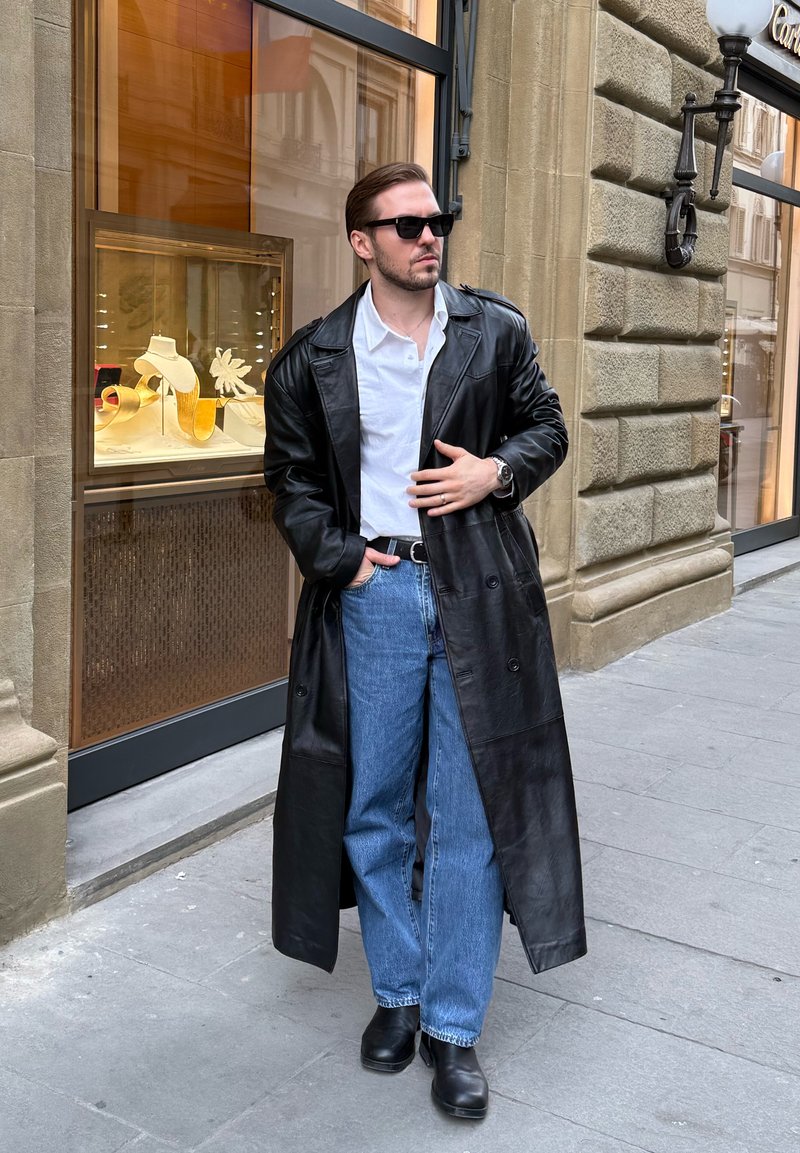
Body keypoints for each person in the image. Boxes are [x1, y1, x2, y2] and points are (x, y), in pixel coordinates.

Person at [264, 162, 585, 1121]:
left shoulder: (495, 330)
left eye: (433, 220)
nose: (426, 236)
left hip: (480, 590)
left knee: (472, 811)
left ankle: (452, 1023)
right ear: (361, 241)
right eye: (402, 225)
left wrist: (495, 472)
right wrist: (344, 558)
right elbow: (288, 479)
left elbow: (548, 428)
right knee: (373, 805)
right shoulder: (314, 355)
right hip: (380, 595)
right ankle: (396, 996)